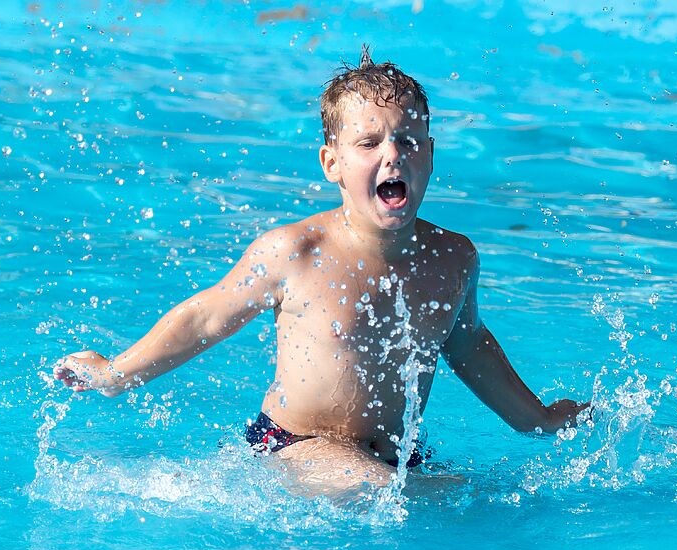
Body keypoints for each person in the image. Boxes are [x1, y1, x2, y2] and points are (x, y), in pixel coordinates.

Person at [53, 47, 589, 487]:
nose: (393, 155)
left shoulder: (453, 259)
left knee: (454, 500)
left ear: (430, 154)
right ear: (331, 162)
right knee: (402, 496)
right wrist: (114, 375)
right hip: (296, 448)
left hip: (397, 457)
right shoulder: (296, 252)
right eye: (369, 142)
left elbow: (469, 345)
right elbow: (207, 317)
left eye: (407, 141)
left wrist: (537, 420)